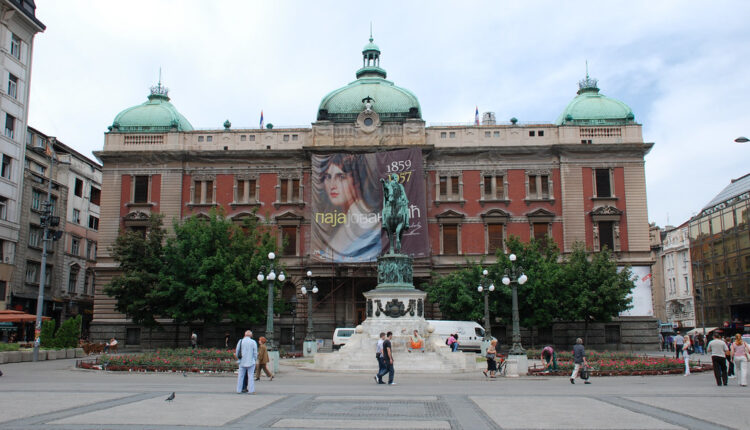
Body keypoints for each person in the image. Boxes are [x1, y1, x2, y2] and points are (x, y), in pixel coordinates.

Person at [316, 154, 380, 262]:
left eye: (341, 177)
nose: (332, 185)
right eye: (328, 177)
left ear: (357, 181)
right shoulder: (339, 224)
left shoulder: (370, 226)